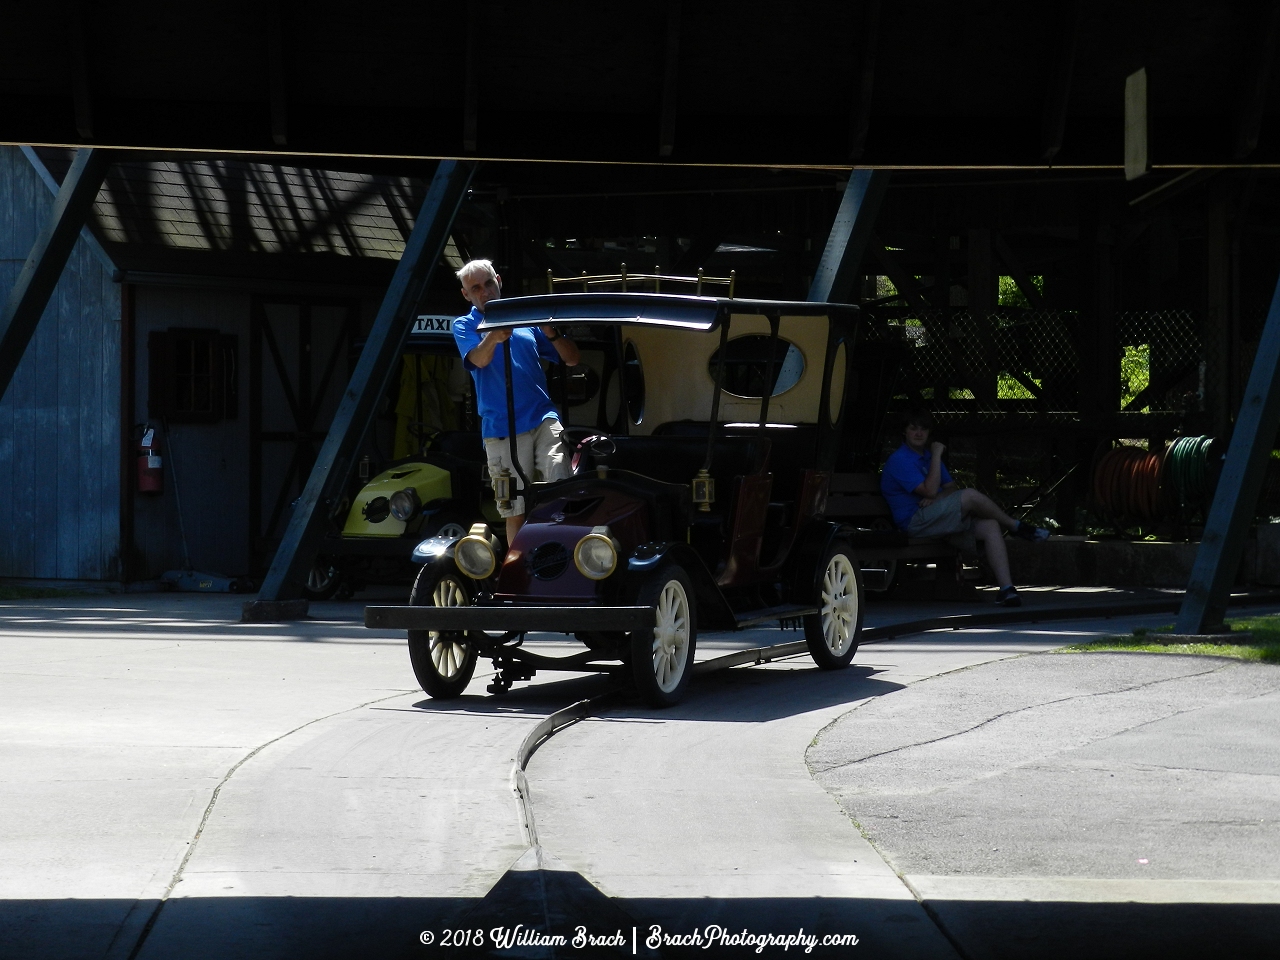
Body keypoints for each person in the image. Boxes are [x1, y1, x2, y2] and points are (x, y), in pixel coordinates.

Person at [451, 259, 580, 544]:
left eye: (488, 283)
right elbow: (477, 360)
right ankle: (519, 576)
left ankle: (563, 559)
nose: (484, 292)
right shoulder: (465, 324)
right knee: (514, 510)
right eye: (476, 288)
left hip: (542, 416)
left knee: (561, 488)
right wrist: (494, 337)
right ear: (466, 295)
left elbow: (571, 359)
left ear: (498, 281)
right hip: (502, 428)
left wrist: (553, 332)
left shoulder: (525, 318)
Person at [879, 410, 1048, 607]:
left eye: (923, 429)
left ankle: (1007, 590)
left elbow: (949, 488)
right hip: (914, 522)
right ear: (904, 432)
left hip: (935, 520)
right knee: (969, 495)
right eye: (913, 428)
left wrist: (937, 497)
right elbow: (930, 489)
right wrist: (936, 455)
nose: (918, 433)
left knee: (991, 526)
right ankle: (1015, 526)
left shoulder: (926, 456)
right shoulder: (900, 460)